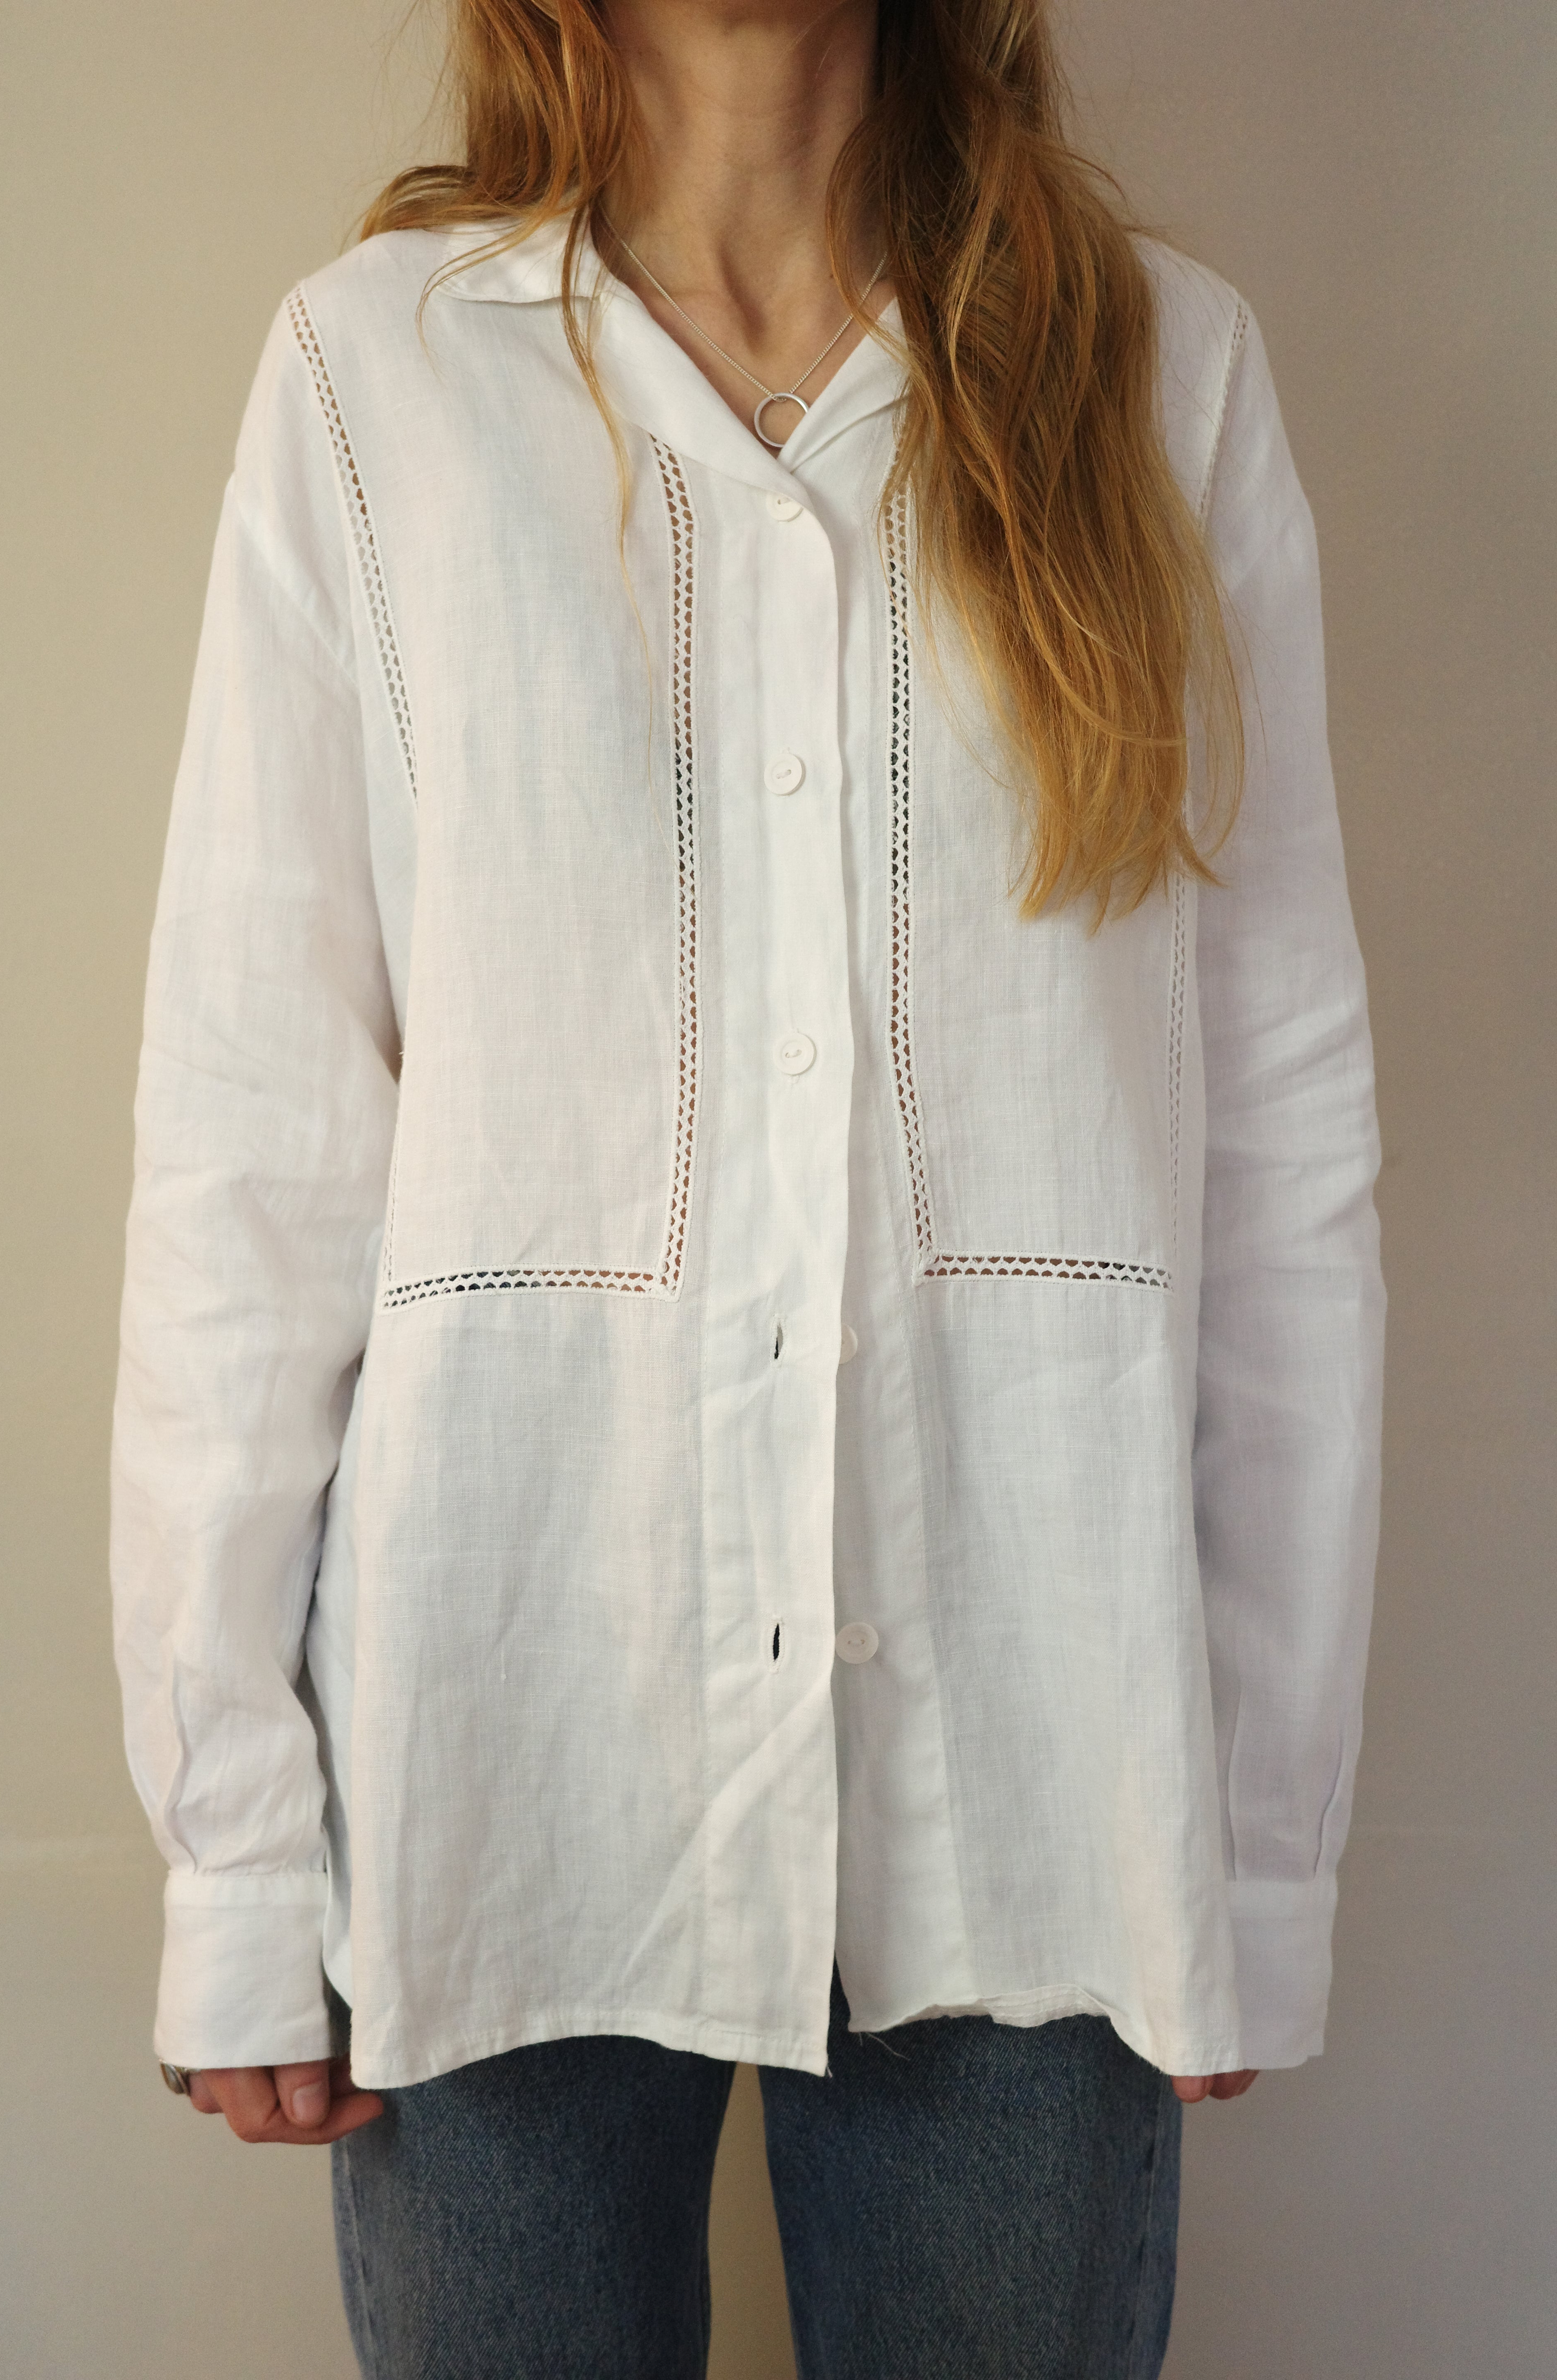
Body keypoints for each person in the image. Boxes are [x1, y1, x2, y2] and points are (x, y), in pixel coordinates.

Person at [111, 0, 1385, 2369]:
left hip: (1038, 1792)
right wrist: (238, 1859)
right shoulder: (376, 385)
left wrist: (1256, 1843)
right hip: (497, 1765)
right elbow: (255, 1147)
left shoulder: (1160, 377)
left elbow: (1285, 1151)